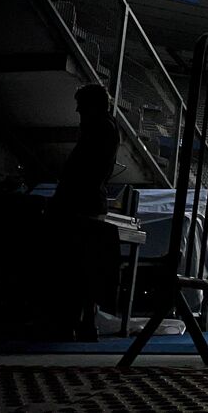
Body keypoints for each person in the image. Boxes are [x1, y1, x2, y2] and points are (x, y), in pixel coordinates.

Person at [43, 83, 120, 341]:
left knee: (76, 267)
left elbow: (82, 172)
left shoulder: (98, 130)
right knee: (85, 267)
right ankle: (83, 322)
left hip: (80, 205)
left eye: (81, 107)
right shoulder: (106, 128)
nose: (77, 111)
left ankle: (72, 322)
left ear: (92, 106)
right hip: (88, 204)